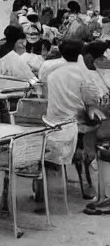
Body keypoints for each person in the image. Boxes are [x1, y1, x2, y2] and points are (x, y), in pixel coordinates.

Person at [42, 40, 107, 208]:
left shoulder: (52, 74)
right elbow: (92, 101)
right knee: (96, 132)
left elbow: (47, 98)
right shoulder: (83, 74)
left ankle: (43, 189)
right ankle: (88, 185)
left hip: (53, 124)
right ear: (80, 54)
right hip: (77, 124)